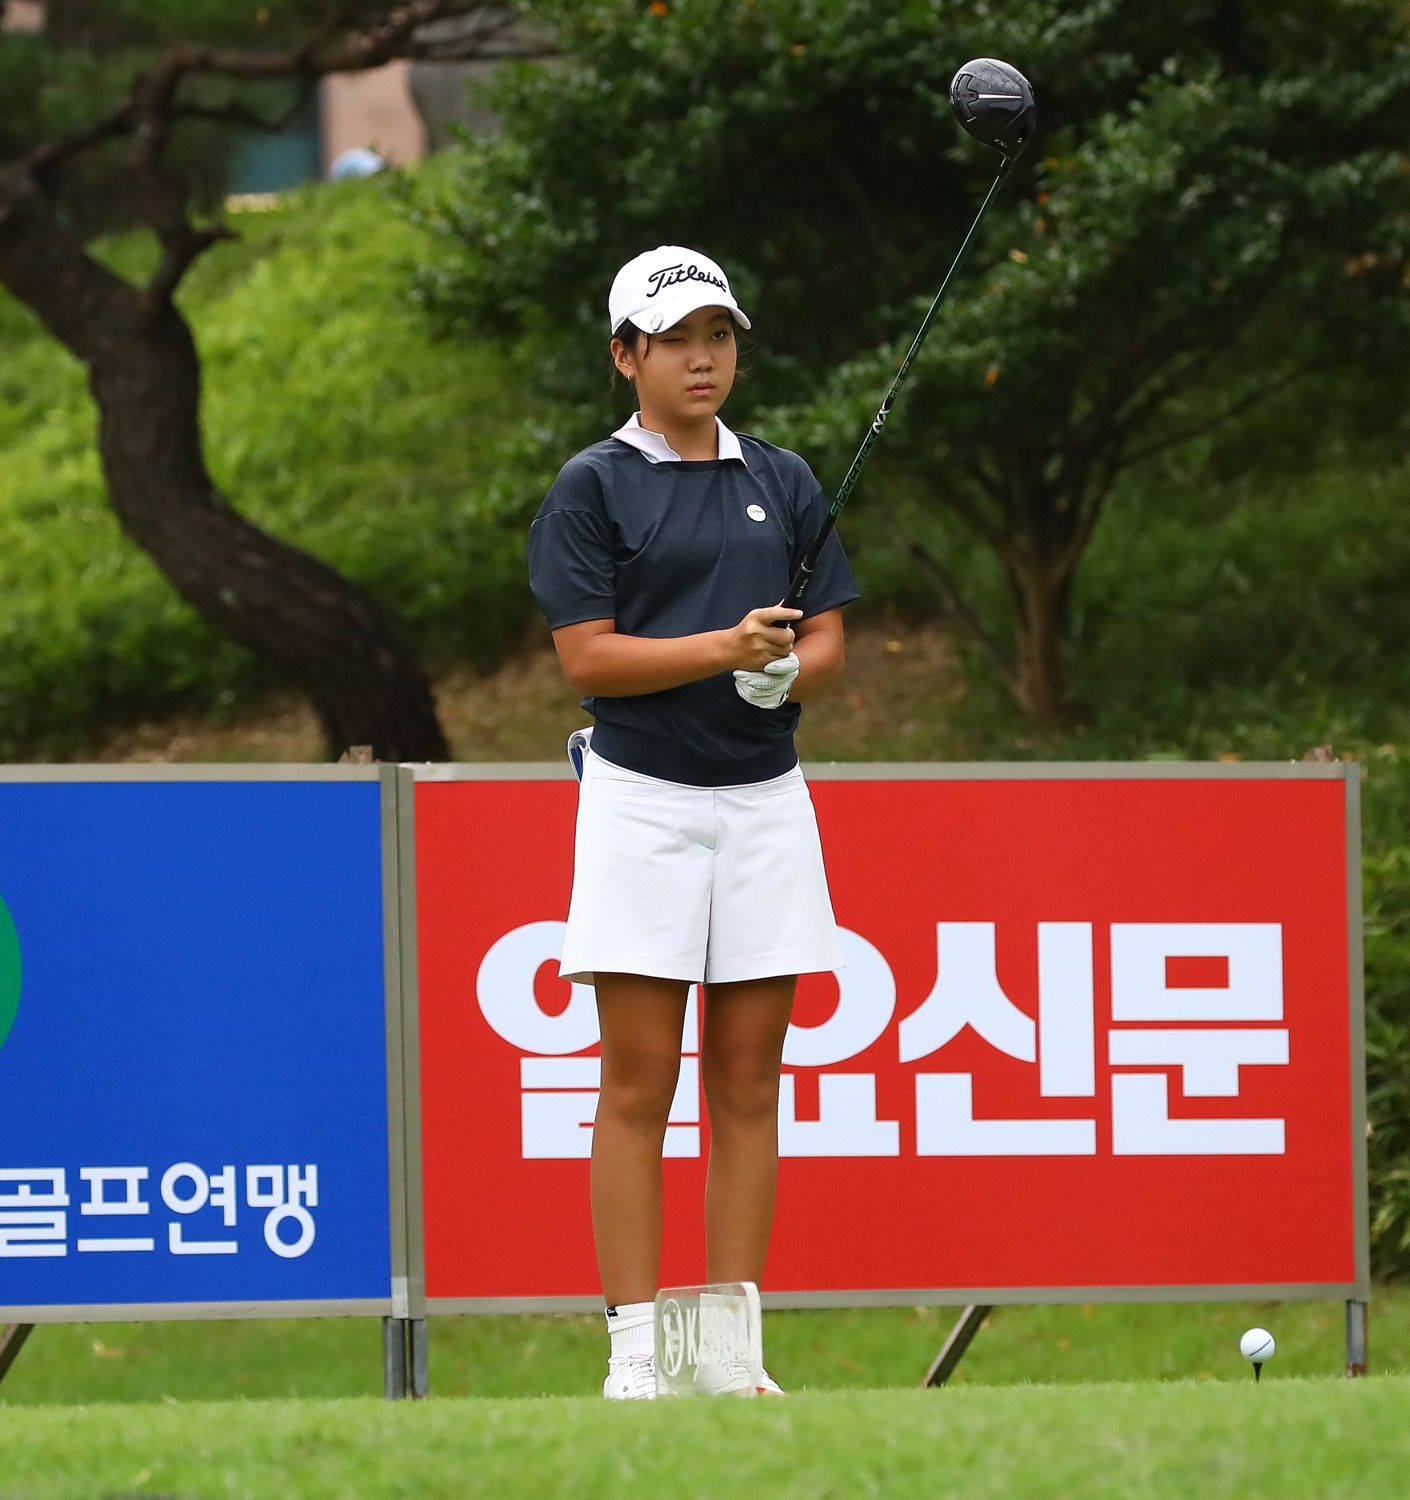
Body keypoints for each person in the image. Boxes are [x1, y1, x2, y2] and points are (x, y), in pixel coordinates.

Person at [527, 245, 859, 1399]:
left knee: (747, 1080)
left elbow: (824, 631)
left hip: (765, 802)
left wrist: (787, 674)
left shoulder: (782, 473)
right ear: (625, 357)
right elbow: (590, 658)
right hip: (641, 803)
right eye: (673, 339)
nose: (701, 357)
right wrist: (726, 650)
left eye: (716, 335)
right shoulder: (592, 486)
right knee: (634, 1079)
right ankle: (633, 1353)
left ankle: (724, 1355)